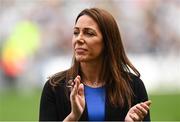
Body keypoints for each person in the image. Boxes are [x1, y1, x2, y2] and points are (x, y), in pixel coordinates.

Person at [39, 8, 151, 121]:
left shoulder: (133, 87)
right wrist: (73, 116)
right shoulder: (55, 87)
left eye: (89, 33)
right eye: (76, 32)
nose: (79, 39)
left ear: (108, 41)